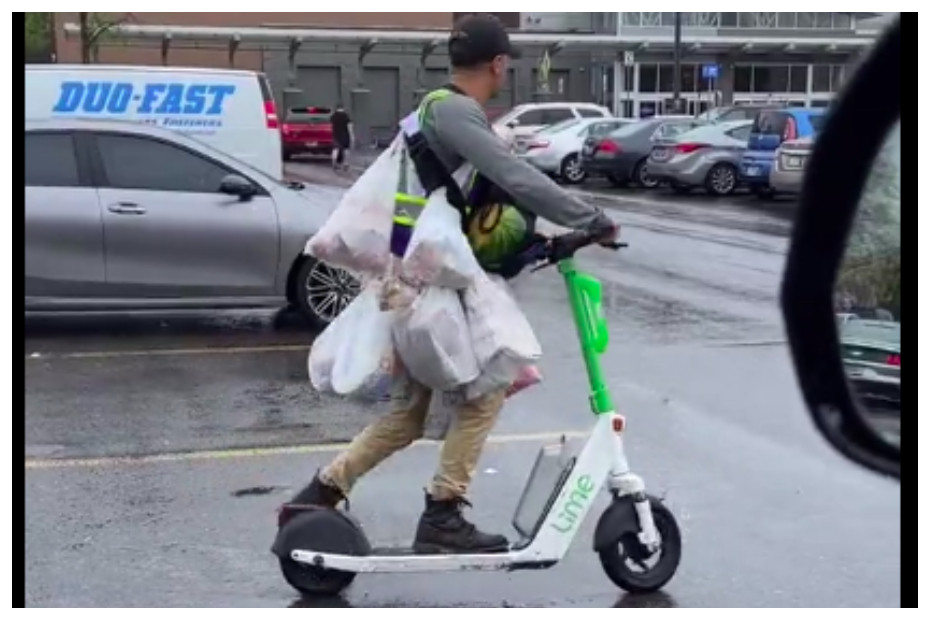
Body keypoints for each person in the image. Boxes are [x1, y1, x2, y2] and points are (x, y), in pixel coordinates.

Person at [279, 13, 619, 554]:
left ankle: (317, 494)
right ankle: (442, 512)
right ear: (499, 63)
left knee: (408, 416)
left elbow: (475, 219)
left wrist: (550, 245)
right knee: (487, 389)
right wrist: (589, 217)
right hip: (423, 291)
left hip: (413, 283)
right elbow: (512, 175)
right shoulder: (454, 111)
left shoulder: (433, 110)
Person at [330, 103, 353, 171]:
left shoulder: (333, 116)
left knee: (335, 149)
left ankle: (334, 163)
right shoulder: (345, 116)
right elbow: (349, 126)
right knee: (346, 150)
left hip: (335, 135)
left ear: (336, 108)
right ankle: (346, 163)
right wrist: (352, 135)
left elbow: (331, 126)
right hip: (345, 135)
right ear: (343, 108)